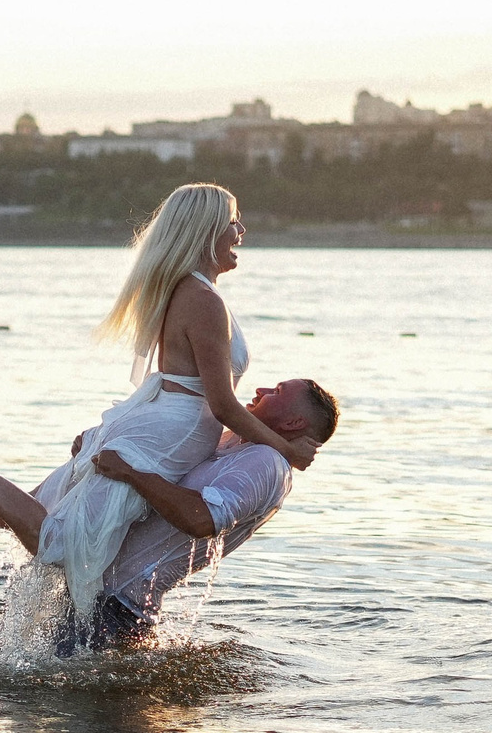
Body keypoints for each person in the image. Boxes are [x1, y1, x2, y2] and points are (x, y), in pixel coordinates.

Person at [0, 377, 339, 653]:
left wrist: (129, 474)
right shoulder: (237, 444)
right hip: (95, 589)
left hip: (117, 613)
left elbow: (203, 519)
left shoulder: (265, 463)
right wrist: (100, 447)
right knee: (43, 511)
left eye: (276, 392)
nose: (260, 390)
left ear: (292, 419)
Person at [27, 184, 316, 630]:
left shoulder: (190, 291)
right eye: (233, 222)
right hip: (175, 431)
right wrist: (287, 449)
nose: (242, 230)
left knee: (72, 532)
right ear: (207, 231)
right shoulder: (202, 300)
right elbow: (221, 403)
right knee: (64, 537)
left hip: (173, 428)